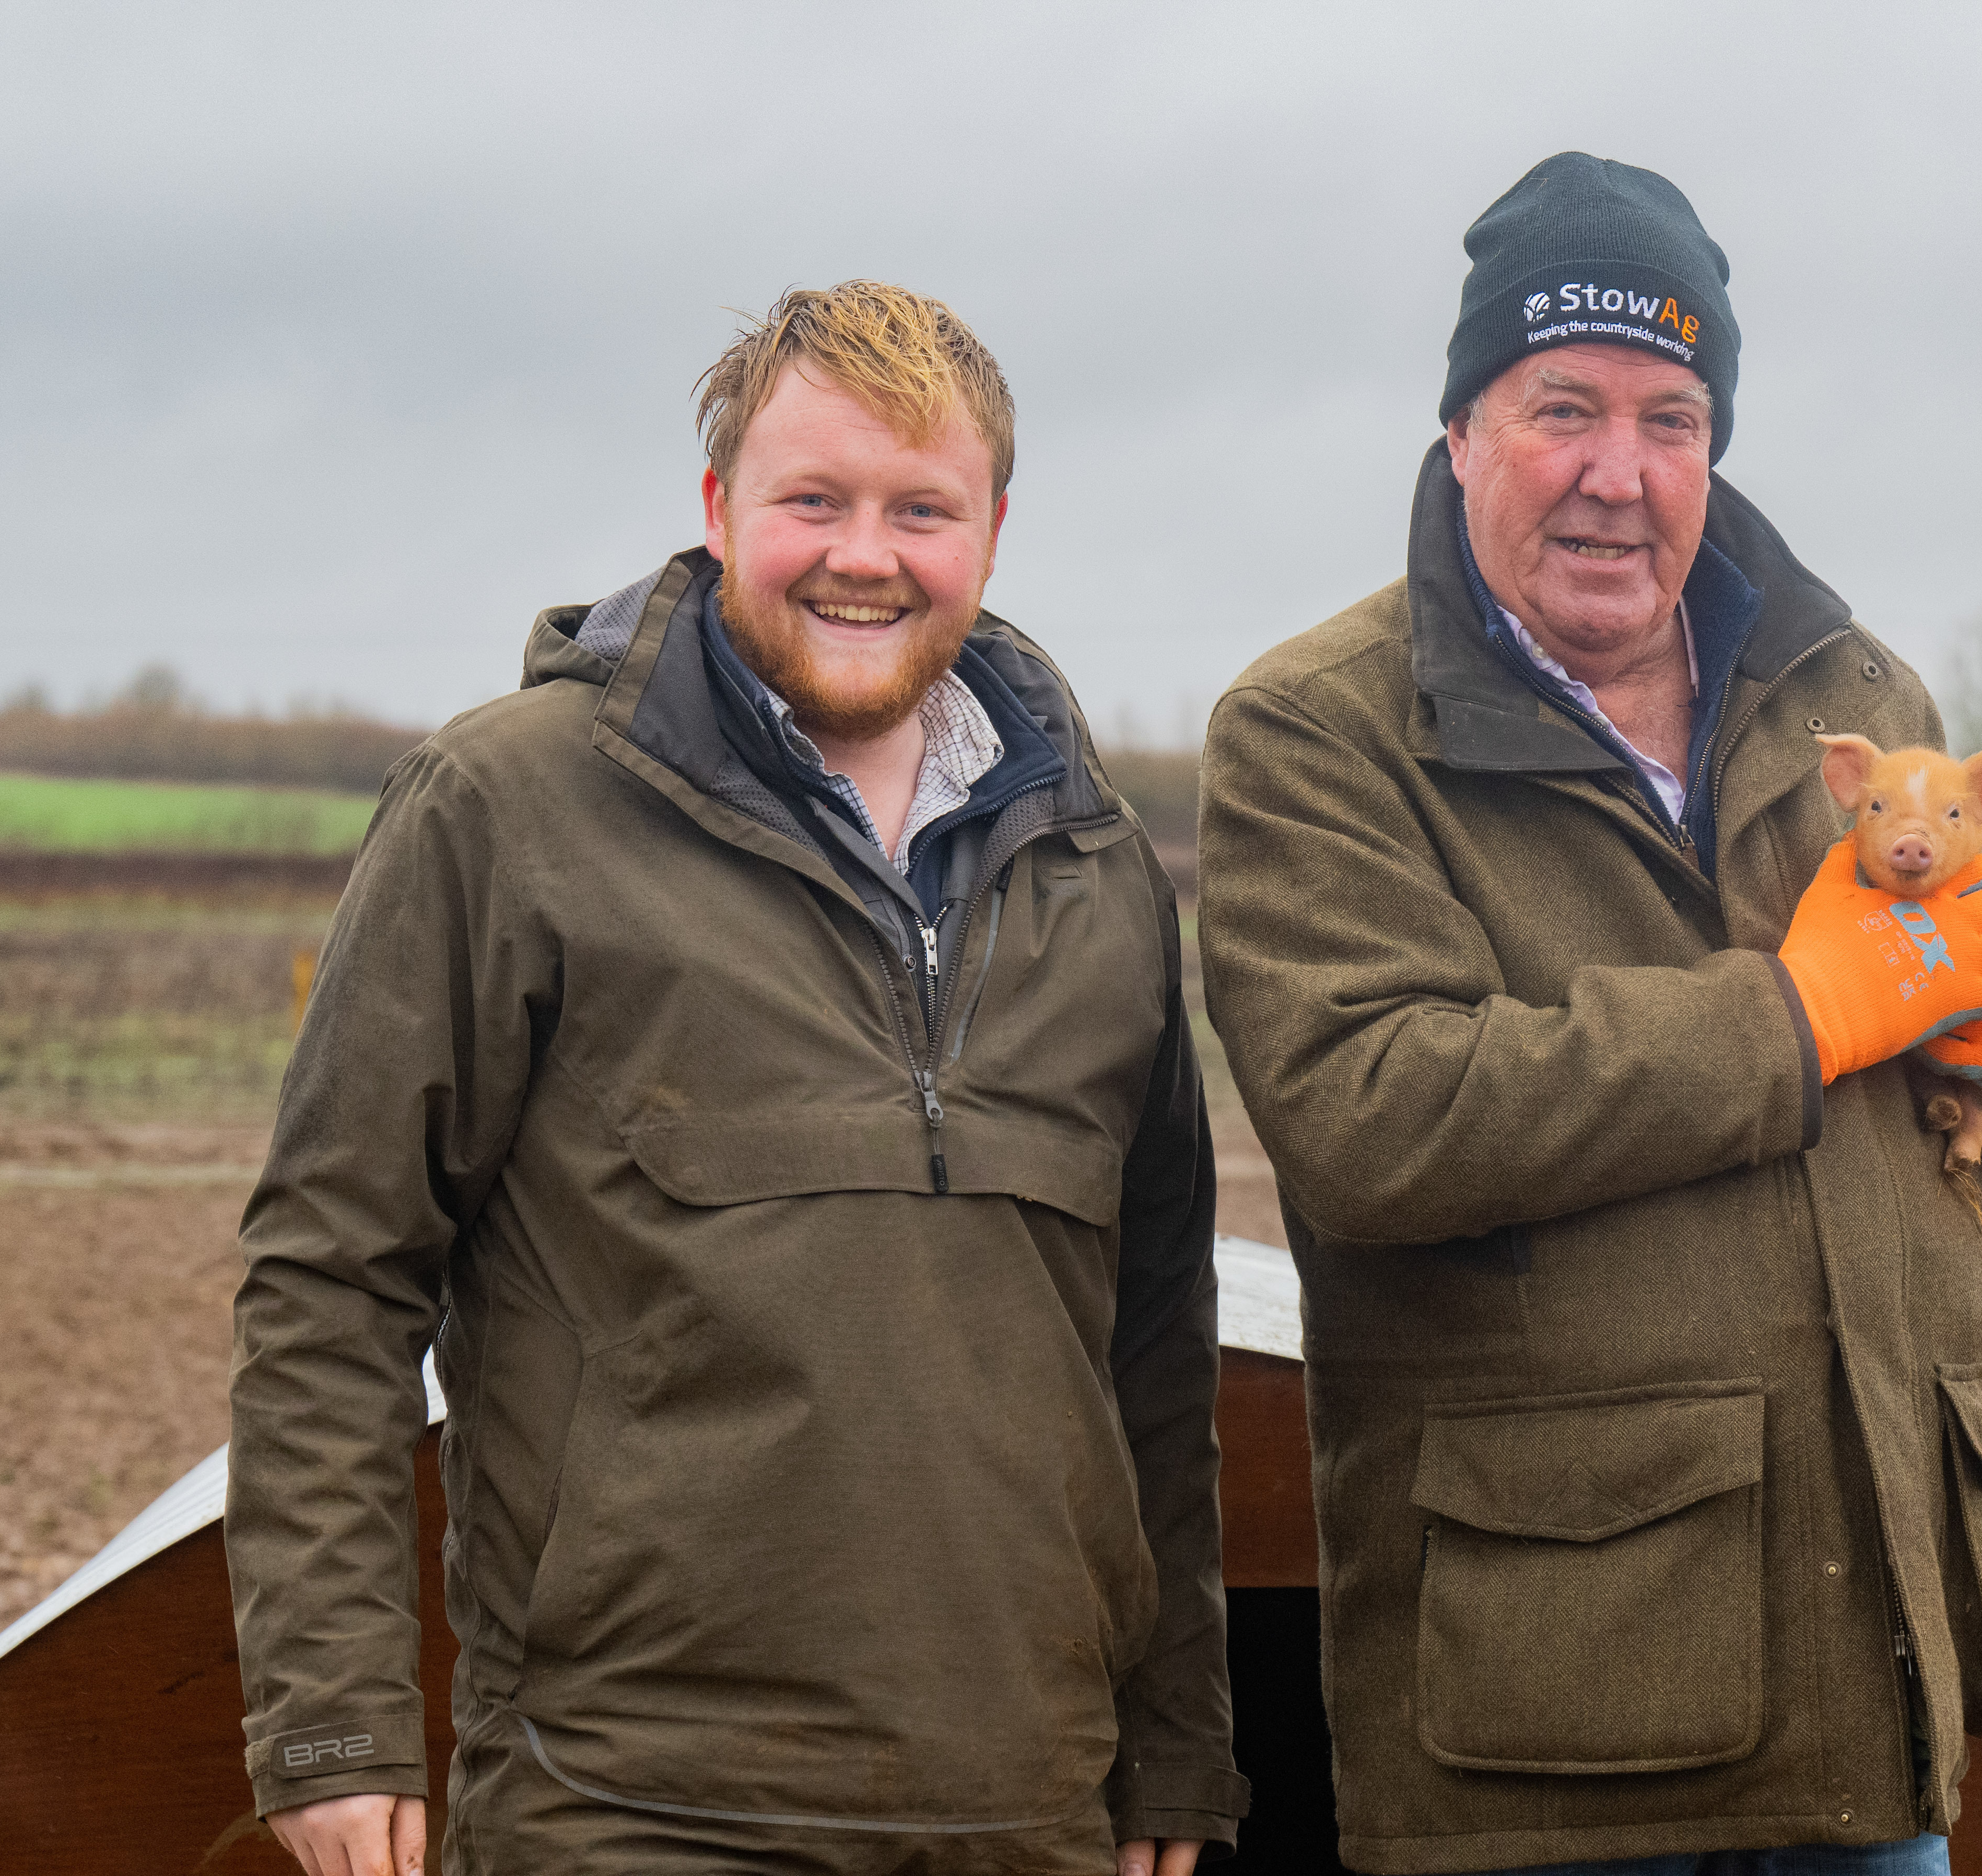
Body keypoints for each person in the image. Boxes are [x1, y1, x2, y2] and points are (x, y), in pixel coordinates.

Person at [228, 282, 1246, 1875]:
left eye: (922, 508)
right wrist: (332, 1715)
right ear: (717, 511)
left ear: (991, 530)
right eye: (814, 500)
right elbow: (332, 1277)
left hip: (1023, 1803)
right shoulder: (504, 812)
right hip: (629, 1804)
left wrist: (1176, 1745)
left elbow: (1155, 1345)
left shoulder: (1095, 864)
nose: (866, 553)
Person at [1196, 155, 1982, 1874]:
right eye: (1564, 409)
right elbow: (1376, 1120)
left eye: (1672, 419)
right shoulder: (1318, 734)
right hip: (1558, 1734)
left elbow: (1936, 1081)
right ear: (1464, 429)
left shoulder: (1852, 698)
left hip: (1872, 1693)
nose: (1618, 476)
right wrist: (1792, 1020)